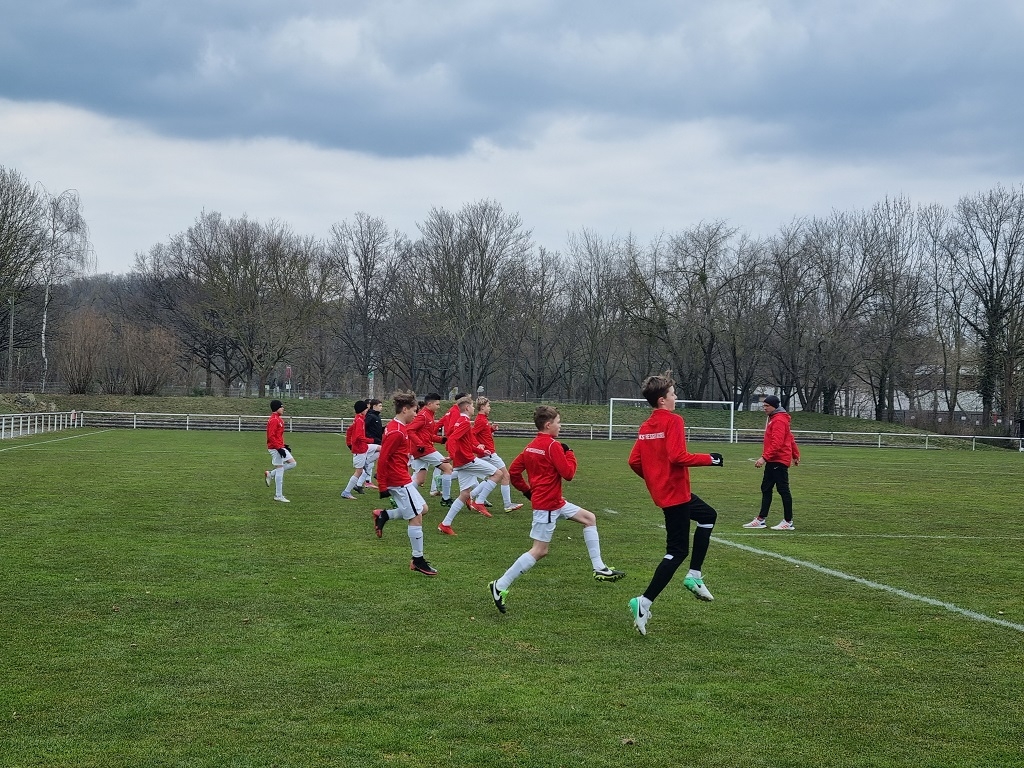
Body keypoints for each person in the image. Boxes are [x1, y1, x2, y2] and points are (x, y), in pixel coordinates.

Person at [488, 405, 624, 614]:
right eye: (558, 422)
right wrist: (569, 453)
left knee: (589, 518)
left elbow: (514, 473)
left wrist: (529, 493)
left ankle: (599, 568)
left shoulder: (530, 447)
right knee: (539, 550)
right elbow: (568, 473)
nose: (560, 426)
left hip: (554, 502)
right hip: (548, 506)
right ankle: (500, 585)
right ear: (548, 424)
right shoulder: (553, 446)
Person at [626, 372, 723, 636]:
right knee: (676, 551)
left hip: (670, 493)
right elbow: (678, 456)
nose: (675, 397)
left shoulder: (646, 426)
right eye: (672, 393)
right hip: (676, 495)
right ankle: (644, 602)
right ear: (662, 400)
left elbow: (634, 461)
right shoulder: (674, 420)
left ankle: (695, 575)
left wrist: (655, 479)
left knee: (708, 515)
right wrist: (711, 459)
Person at [372, 391, 438, 576]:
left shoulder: (398, 427)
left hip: (403, 478)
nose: (416, 414)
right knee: (416, 517)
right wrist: (383, 486)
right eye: (414, 411)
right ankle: (417, 560)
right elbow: (383, 458)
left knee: (423, 509)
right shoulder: (396, 431)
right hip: (398, 481)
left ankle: (384, 515)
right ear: (405, 409)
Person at [437, 396, 503, 535]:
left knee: (464, 494)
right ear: (467, 408)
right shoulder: (465, 422)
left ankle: (445, 524)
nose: (474, 408)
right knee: (498, 474)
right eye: (472, 406)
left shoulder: (460, 421)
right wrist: (452, 456)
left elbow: (463, 443)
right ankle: (479, 502)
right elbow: (453, 439)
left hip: (462, 462)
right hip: (467, 461)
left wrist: (480, 451)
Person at [743, 394, 800, 530]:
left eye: (767, 406)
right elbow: (790, 438)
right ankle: (761, 519)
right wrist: (795, 454)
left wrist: (764, 458)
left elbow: (777, 443)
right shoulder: (775, 419)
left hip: (778, 460)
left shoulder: (778, 420)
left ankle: (788, 521)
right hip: (774, 460)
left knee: (783, 490)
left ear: (774, 406)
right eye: (764, 405)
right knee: (766, 488)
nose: (764, 408)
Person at [470, 397, 523, 512]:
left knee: (493, 477)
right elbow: (472, 434)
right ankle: (507, 504)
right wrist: (478, 445)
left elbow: (483, 433)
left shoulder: (483, 419)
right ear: (482, 407)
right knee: (505, 475)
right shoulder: (481, 420)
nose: (490, 408)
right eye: (488, 406)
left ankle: (470, 496)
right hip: (489, 454)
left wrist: (491, 429)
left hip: (487, 453)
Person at [406, 393, 455, 506]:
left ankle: (402, 496)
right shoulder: (423, 415)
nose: (439, 406)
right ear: (429, 404)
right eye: (437, 404)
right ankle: (446, 498)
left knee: (420, 479)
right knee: (448, 468)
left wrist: (441, 439)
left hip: (422, 449)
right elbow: (410, 430)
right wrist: (420, 444)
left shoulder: (429, 415)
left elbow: (427, 435)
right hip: (424, 450)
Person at [264, 399, 296, 503]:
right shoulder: (274, 420)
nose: (283, 409)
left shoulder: (278, 419)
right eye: (281, 407)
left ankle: (270, 474)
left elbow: (277, 436)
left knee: (293, 463)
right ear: (276, 408)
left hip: (279, 447)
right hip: (275, 448)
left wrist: (283, 446)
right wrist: (279, 448)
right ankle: (278, 495)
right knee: (280, 469)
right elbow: (271, 436)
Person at [341, 401, 370, 500]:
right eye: (366, 408)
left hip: (362, 448)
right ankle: (346, 492)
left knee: (379, 449)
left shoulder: (359, 419)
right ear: (362, 410)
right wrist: (371, 440)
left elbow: (350, 430)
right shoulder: (359, 420)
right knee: (359, 471)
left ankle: (369, 463)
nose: (367, 410)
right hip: (359, 449)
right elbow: (358, 436)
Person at [361, 398, 384, 489]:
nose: (381, 407)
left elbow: (377, 430)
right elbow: (364, 428)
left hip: (377, 441)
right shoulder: (370, 416)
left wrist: (385, 428)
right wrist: (370, 438)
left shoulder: (377, 416)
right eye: (380, 406)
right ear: (374, 406)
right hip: (371, 442)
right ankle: (366, 481)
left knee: (370, 463)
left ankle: (363, 482)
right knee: (384, 452)